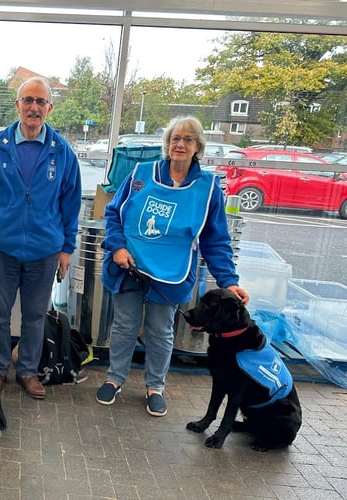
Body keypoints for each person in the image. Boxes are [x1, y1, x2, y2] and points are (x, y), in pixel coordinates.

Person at [96, 115, 249, 416]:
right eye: (175, 138)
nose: (180, 144)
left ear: (198, 147)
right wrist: (117, 247)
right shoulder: (141, 173)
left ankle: (155, 386)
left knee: (160, 330)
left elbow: (215, 240)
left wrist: (228, 281)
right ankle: (115, 379)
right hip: (130, 266)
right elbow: (114, 214)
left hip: (171, 273)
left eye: (188, 139)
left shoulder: (207, 189)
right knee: (124, 325)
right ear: (167, 144)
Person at [0, 77, 82, 400]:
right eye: (27, 100)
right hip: (2, 247)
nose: (33, 107)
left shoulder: (62, 152)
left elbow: (70, 204)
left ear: (49, 107)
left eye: (40, 102)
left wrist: (66, 248)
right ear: (17, 105)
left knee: (34, 316)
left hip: (45, 250)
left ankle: (28, 371)